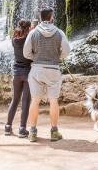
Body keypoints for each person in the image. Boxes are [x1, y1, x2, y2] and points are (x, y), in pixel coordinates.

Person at [23, 8, 71, 142]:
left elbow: (26, 53)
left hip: (37, 69)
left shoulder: (33, 33)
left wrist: (36, 57)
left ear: (40, 17)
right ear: (51, 17)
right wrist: (57, 57)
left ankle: (32, 132)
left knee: (35, 100)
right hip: (53, 69)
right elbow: (66, 51)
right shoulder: (60, 32)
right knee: (54, 101)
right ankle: (54, 132)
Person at [4, 19, 32, 138]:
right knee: (25, 101)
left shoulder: (14, 40)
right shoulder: (29, 40)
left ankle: (8, 126)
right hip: (28, 73)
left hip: (16, 73)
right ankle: (22, 129)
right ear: (28, 28)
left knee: (15, 100)